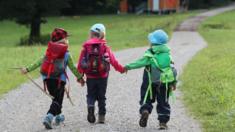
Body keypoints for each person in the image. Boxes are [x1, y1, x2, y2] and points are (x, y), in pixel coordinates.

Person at [21, 28, 84, 129]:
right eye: (66, 39)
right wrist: (80, 77)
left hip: (48, 79)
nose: (68, 40)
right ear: (63, 41)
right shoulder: (66, 54)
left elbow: (39, 62)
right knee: (58, 100)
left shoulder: (49, 52)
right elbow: (72, 68)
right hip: (60, 81)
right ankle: (49, 117)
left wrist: (27, 69)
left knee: (55, 99)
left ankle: (58, 117)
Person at [124, 29, 177, 130]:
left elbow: (139, 63)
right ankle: (163, 122)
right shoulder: (168, 55)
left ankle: (145, 110)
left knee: (146, 96)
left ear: (153, 43)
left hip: (149, 83)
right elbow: (172, 70)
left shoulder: (150, 55)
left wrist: (127, 66)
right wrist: (174, 82)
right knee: (163, 101)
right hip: (164, 83)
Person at [77, 23, 125, 124]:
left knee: (90, 95)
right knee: (101, 96)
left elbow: (81, 62)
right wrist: (121, 69)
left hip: (90, 76)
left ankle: (90, 107)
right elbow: (113, 61)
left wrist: (80, 77)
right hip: (103, 76)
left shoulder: (86, 47)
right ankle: (101, 117)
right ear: (103, 35)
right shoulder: (105, 47)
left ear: (91, 34)